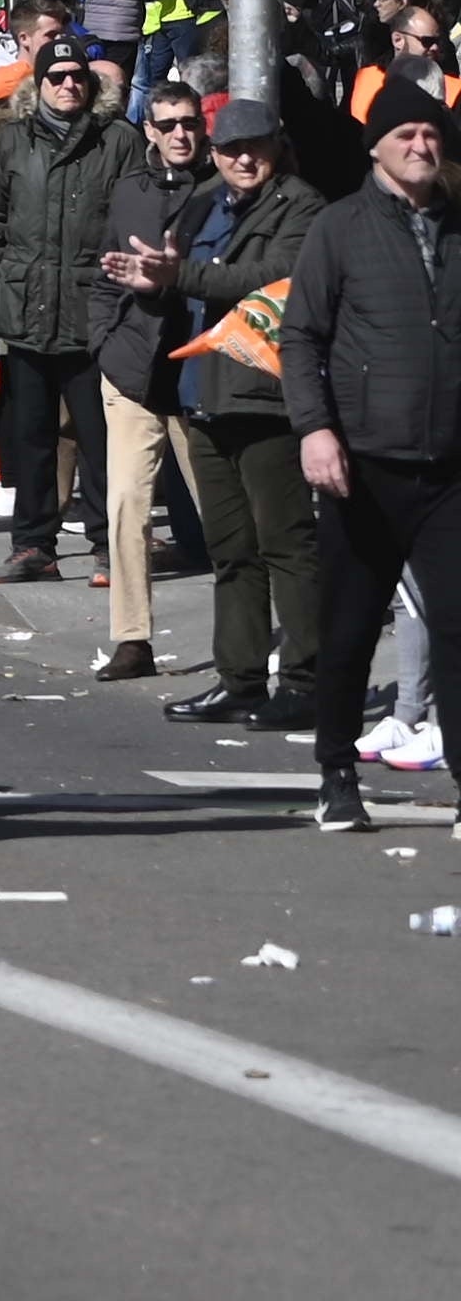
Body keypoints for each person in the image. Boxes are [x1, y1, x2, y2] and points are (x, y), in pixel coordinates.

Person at [279, 80, 461, 834]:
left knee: (457, 625)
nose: (421, 147)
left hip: (448, 468)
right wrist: (316, 430)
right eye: (406, 135)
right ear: (377, 147)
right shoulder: (340, 228)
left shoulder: (457, 229)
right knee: (349, 627)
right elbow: (300, 338)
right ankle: (336, 775)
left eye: (431, 135)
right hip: (364, 462)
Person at [154, 100, 327, 726]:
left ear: (276, 146)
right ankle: (242, 680)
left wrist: (183, 276)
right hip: (206, 395)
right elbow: (176, 272)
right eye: (230, 150)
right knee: (231, 550)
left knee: (287, 544)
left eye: (255, 146)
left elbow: (272, 280)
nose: (243, 159)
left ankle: (307, 682)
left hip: (268, 398)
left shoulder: (303, 207)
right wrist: (153, 280)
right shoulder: (202, 201)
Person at [0, 35, 122, 581]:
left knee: (98, 438)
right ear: (40, 84)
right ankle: (33, 546)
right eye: (57, 76)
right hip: (25, 314)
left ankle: (106, 544)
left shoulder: (118, 141)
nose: (69, 84)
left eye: (78, 76)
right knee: (29, 439)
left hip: (93, 315)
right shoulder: (13, 143)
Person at [90, 77, 221, 679]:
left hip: (201, 372)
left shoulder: (223, 192)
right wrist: (104, 340)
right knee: (126, 505)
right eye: (166, 124)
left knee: (226, 513)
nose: (179, 135)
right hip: (131, 370)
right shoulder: (127, 193)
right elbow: (100, 270)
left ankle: (249, 637)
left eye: (188, 123)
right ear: (149, 129)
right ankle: (132, 638)